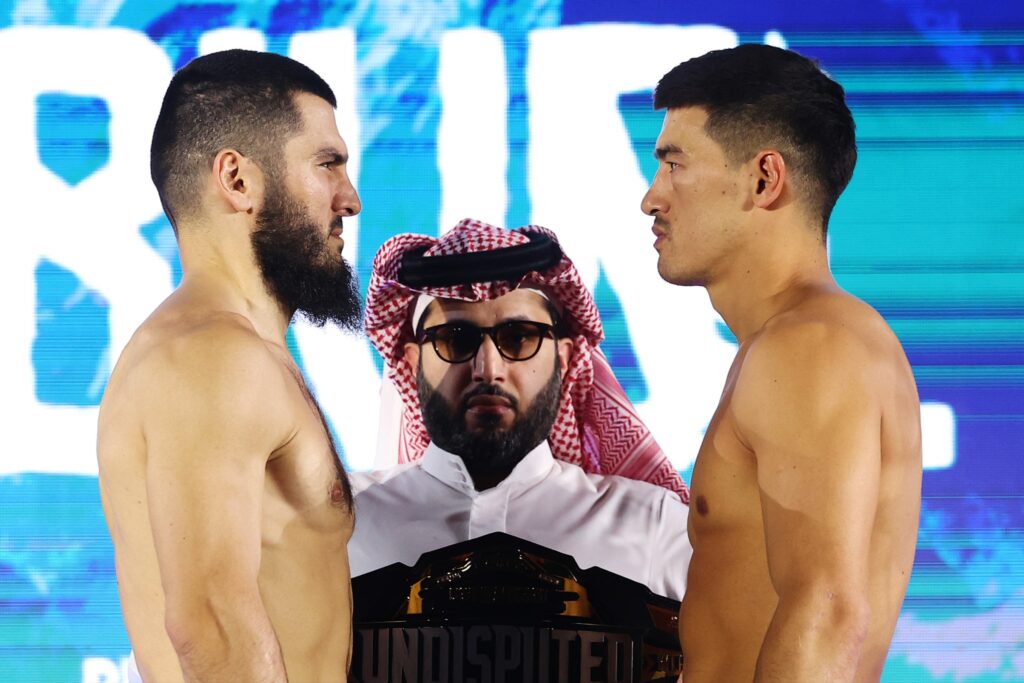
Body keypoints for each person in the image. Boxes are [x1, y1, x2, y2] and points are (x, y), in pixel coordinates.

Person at [640, 44, 923, 681]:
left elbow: (827, 611)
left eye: (674, 164)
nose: (651, 199)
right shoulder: (804, 341)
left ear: (764, 179)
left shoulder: (810, 346)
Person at [97, 49, 362, 683]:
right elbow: (211, 627)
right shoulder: (214, 357)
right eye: (326, 164)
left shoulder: (228, 351)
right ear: (237, 180)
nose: (349, 199)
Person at [350, 218, 692, 600]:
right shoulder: (340, 524)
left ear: (564, 359)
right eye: (455, 340)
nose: (488, 369)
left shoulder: (655, 529)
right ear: (413, 364)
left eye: (519, 338)